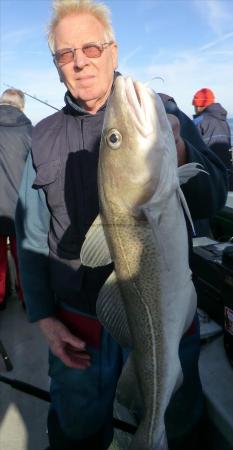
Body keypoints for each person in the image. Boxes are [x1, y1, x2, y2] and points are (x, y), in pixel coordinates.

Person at [15, 1, 228, 449]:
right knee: (76, 431)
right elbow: (32, 236)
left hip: (165, 316)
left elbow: (214, 190)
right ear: (57, 68)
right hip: (78, 327)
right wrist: (45, 320)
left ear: (113, 51)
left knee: (179, 416)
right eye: (65, 54)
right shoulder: (42, 136)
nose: (80, 61)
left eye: (91, 46)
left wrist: (181, 152)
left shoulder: (161, 113)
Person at [0, 88, 32, 309]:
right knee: (23, 257)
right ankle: (27, 298)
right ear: (21, 106)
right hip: (21, 207)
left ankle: (1, 298)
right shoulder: (30, 130)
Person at [192, 88, 233, 190]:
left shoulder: (198, 122)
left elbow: (191, 150)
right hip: (227, 173)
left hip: (210, 177)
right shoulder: (224, 121)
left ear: (198, 105)